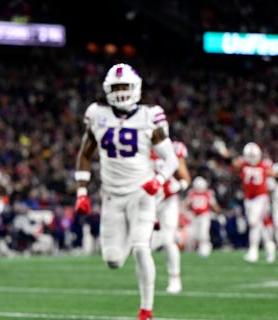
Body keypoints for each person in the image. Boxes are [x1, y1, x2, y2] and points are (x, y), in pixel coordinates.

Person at [74, 63, 178, 320]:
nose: (121, 92)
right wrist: (82, 192)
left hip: (142, 193)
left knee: (141, 247)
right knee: (113, 260)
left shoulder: (149, 116)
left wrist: (159, 179)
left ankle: (146, 309)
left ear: (137, 88)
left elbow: (171, 159)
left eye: (126, 87)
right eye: (117, 87)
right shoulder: (97, 114)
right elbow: (85, 154)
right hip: (111, 196)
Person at [217, 141, 276, 263]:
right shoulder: (243, 164)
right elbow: (232, 164)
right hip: (249, 199)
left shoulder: (264, 165)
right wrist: (226, 154)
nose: (252, 159)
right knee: (256, 224)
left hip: (261, 197)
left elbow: (274, 174)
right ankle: (269, 245)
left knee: (254, 223)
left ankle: (253, 250)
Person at [151, 139, 191, 294]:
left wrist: (180, 185)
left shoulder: (172, 148)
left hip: (168, 200)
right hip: (148, 200)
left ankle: (175, 279)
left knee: (168, 240)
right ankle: (148, 280)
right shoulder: (140, 145)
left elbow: (185, 178)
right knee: (144, 245)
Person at [183, 176, 221, 258]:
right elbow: (186, 203)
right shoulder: (192, 193)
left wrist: (219, 212)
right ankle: (194, 249)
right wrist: (182, 209)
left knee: (204, 233)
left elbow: (214, 204)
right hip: (194, 216)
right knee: (194, 234)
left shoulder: (208, 193)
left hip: (204, 215)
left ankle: (204, 248)